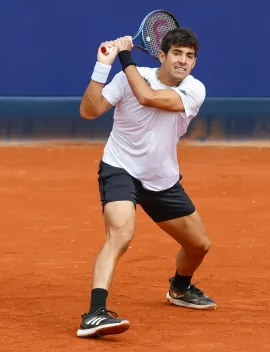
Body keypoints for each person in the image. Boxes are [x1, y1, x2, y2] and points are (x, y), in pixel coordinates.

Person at [76, 28, 217, 338]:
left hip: (162, 179)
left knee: (199, 245)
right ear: (162, 56)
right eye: (177, 53)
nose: (183, 61)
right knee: (121, 235)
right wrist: (103, 65)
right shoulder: (130, 75)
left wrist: (124, 56)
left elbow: (148, 96)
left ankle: (179, 289)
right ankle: (95, 313)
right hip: (120, 168)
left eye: (190, 56)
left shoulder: (195, 90)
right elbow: (89, 111)